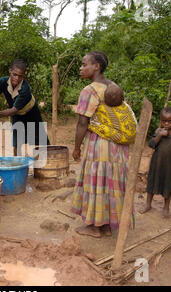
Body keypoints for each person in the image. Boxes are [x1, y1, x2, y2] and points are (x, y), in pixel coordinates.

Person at [71, 51, 137, 238]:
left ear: (96, 66)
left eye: (84, 64)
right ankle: (107, 226)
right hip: (118, 146)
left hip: (100, 145)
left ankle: (94, 227)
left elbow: (82, 123)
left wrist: (77, 148)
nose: (81, 68)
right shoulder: (113, 86)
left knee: (97, 183)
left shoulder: (89, 91)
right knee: (111, 183)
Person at [0, 59, 49, 156]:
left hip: (31, 113)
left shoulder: (25, 89)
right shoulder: (2, 82)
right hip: (17, 115)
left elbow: (12, 111)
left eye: (20, 76)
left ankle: (41, 164)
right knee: (17, 143)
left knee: (41, 142)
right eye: (14, 74)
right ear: (10, 71)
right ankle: (18, 165)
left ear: (23, 75)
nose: (17, 78)